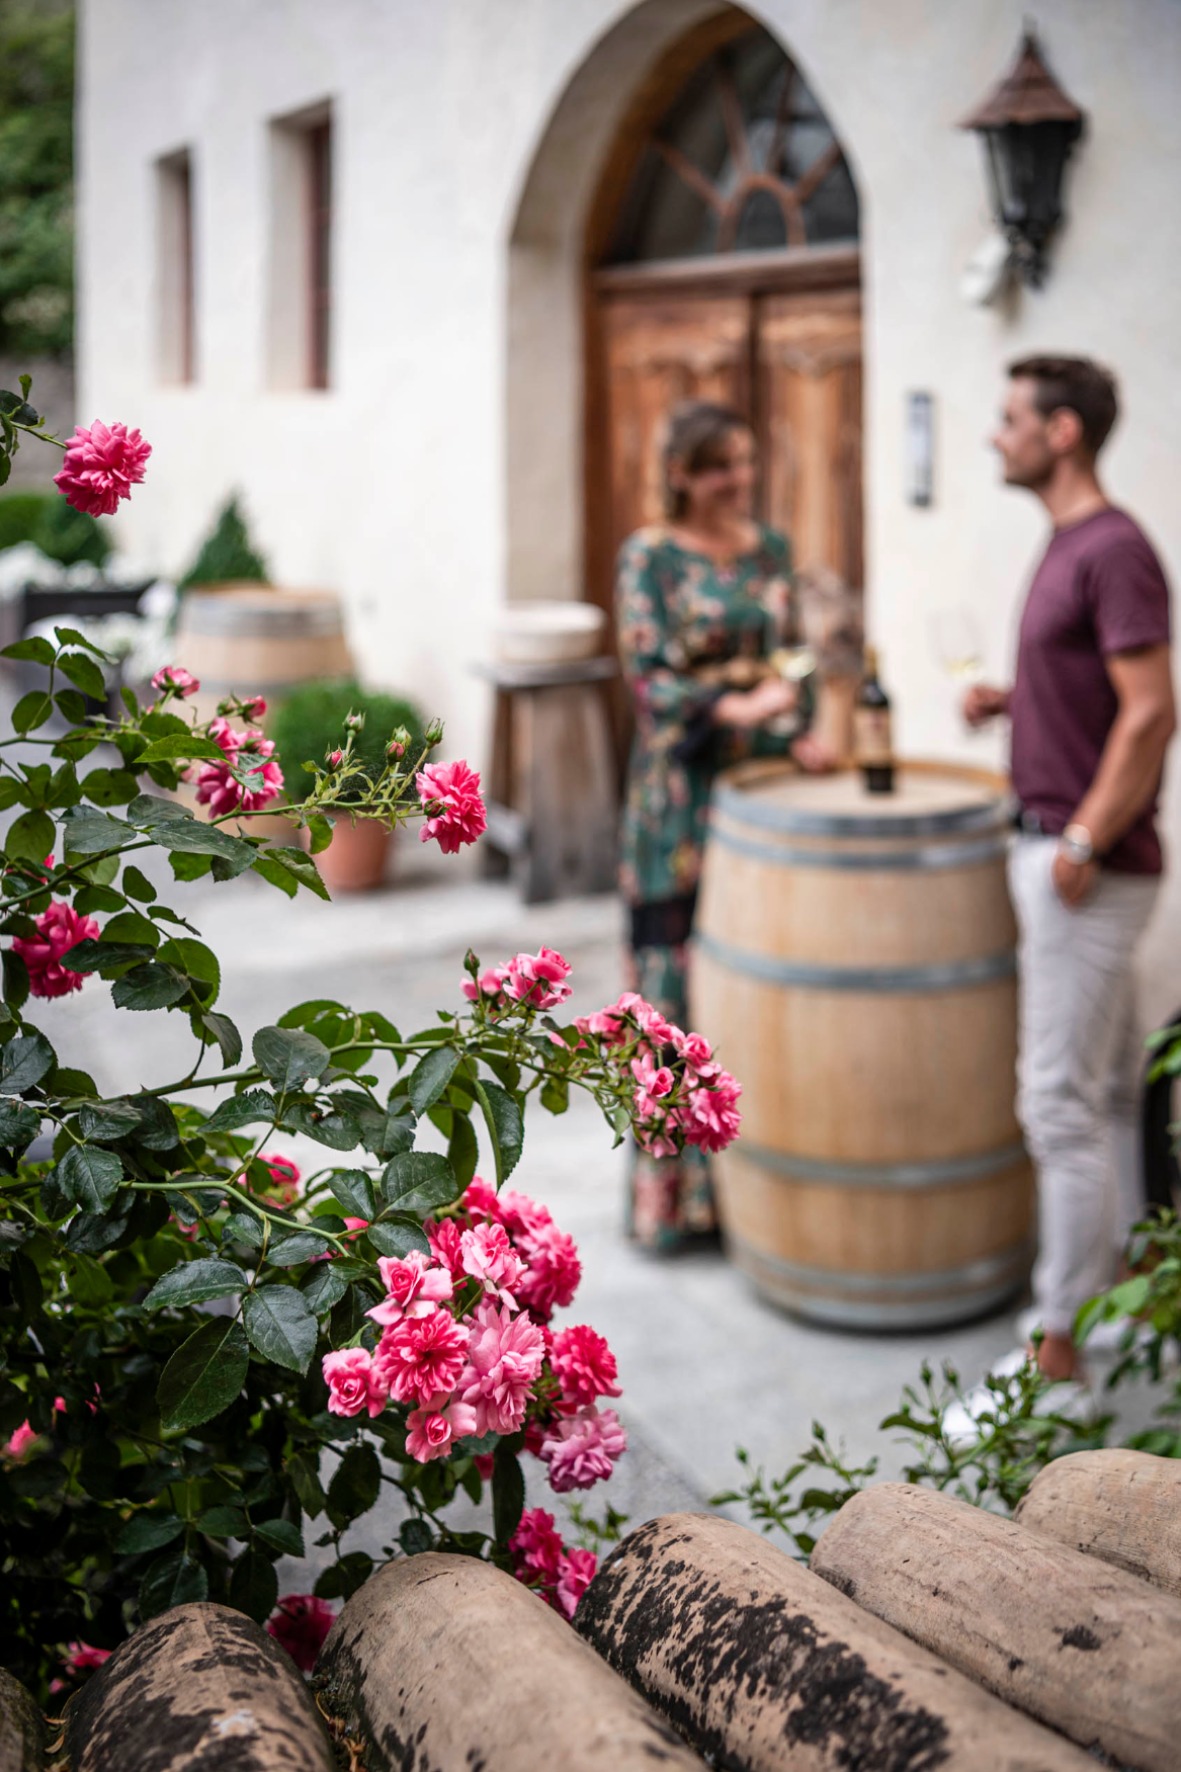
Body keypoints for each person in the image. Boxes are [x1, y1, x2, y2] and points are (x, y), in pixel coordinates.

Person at [948, 354, 1175, 1433]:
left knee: (1055, 1105)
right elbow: (1093, 690)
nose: (996, 436)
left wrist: (1082, 835)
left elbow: (1148, 710)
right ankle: (1135, 1311)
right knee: (1117, 1094)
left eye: (1008, 419)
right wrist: (1015, 698)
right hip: (1060, 850)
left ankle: (1054, 1355)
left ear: (1063, 430)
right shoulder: (1071, 542)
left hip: (1075, 865)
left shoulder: (1113, 546)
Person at [615, 401, 832, 1251]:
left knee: (755, 983)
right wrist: (736, 704)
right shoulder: (650, 557)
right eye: (717, 467)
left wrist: (797, 723)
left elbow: (794, 655)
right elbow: (649, 679)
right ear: (679, 474)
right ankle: (673, 1204)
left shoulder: (769, 549)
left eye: (742, 463)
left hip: (757, 792)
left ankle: (750, 1195)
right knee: (671, 990)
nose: (735, 481)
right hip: (674, 799)